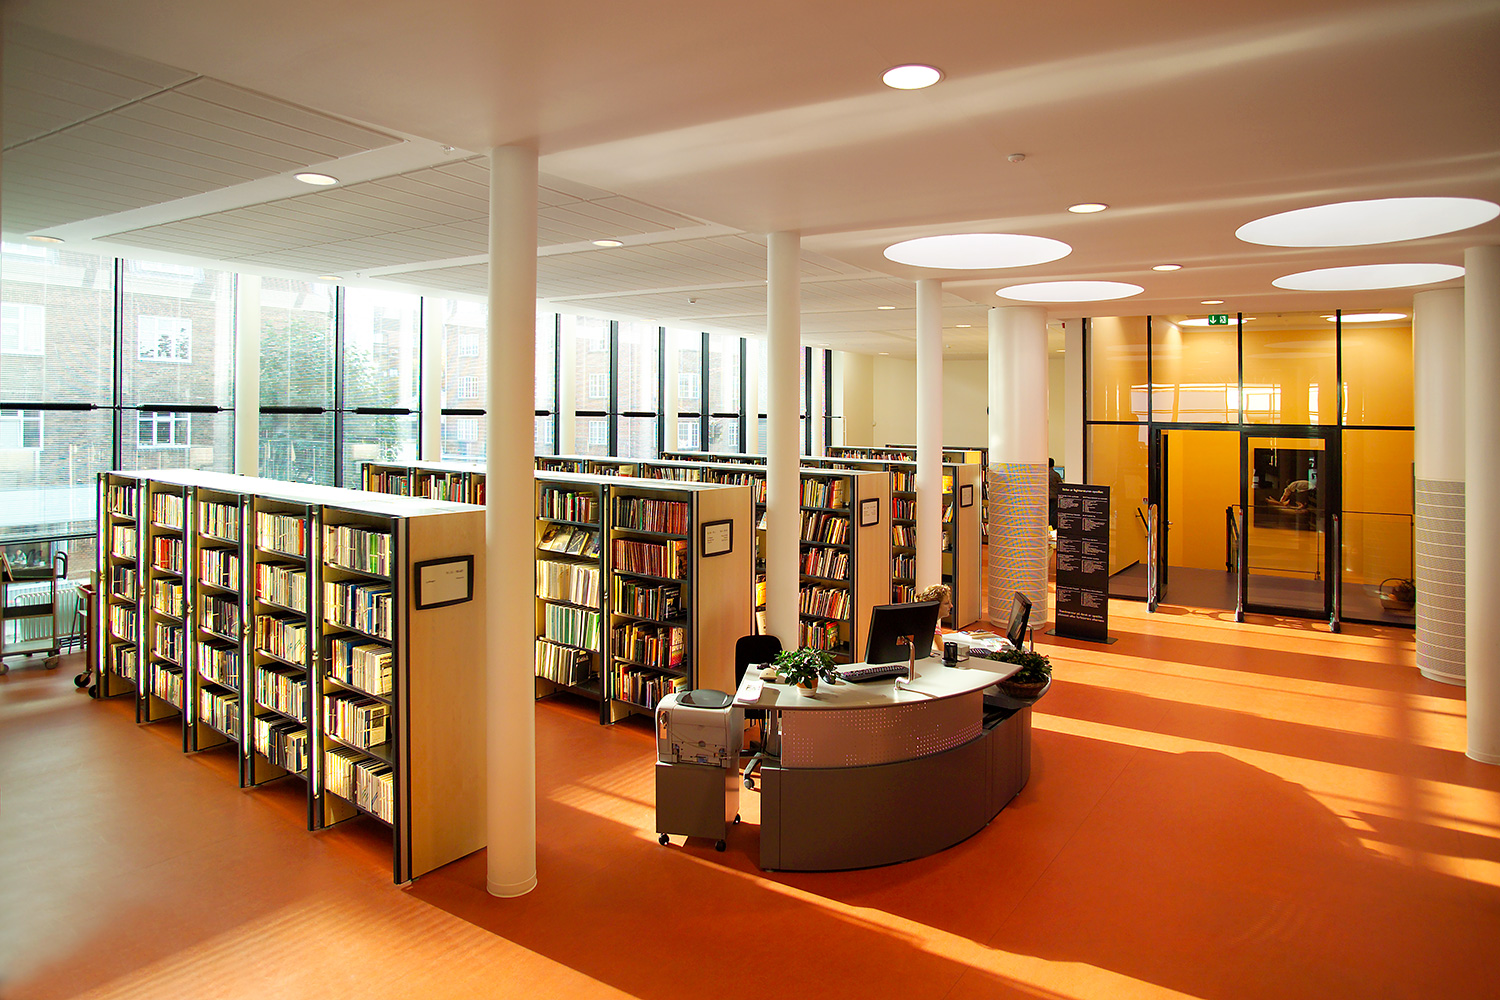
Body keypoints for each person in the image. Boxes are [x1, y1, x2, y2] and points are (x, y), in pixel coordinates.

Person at [1048, 458, 1063, 527]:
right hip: (1054, 497)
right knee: (1053, 513)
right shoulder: (1056, 475)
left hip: (1045, 497)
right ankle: (1052, 527)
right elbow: (1061, 485)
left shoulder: (1043, 474)